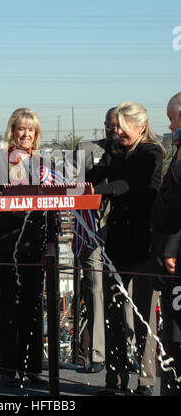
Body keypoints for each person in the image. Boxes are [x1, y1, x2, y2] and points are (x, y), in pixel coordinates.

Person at [86, 102, 165, 395]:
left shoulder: (152, 153)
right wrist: (74, 186)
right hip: (117, 245)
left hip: (144, 245)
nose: (116, 131)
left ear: (140, 126)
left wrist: (96, 190)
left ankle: (145, 381)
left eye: (121, 126)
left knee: (145, 316)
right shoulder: (115, 151)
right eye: (115, 126)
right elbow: (97, 173)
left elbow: (127, 185)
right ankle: (114, 378)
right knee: (112, 312)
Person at [0, 108, 60, 387]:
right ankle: (8, 369)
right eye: (20, 129)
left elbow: (54, 207)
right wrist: (3, 201)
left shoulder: (45, 163)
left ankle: (33, 368)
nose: (25, 135)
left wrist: (51, 243)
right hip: (6, 245)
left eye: (31, 130)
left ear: (36, 134)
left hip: (35, 246)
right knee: (10, 307)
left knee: (34, 307)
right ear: (12, 130)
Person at [72, 108, 118, 373]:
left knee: (123, 294)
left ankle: (126, 352)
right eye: (108, 125)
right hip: (91, 232)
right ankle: (98, 355)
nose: (112, 130)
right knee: (95, 290)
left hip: (121, 233)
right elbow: (78, 186)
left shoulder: (135, 152)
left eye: (117, 125)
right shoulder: (86, 149)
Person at [152, 92, 181, 395]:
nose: (171, 125)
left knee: (175, 334)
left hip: (176, 259)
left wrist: (171, 248)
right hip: (168, 255)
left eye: (173, 119)